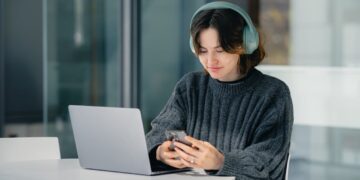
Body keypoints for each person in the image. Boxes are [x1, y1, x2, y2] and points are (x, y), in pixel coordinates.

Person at [146, 1, 293, 180]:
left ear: (245, 44)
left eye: (220, 50)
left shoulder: (273, 93)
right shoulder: (190, 86)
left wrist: (221, 162)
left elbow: (268, 166)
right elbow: (155, 136)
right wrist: (159, 151)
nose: (210, 61)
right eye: (202, 51)